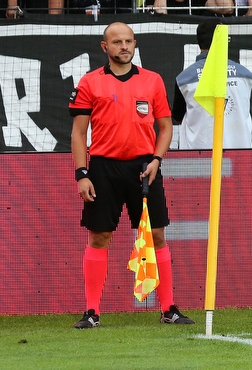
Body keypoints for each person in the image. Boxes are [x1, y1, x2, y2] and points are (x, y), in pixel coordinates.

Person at [69, 22, 194, 329]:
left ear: (135, 44)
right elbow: (77, 133)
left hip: (144, 168)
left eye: (128, 41)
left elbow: (165, 127)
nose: (124, 47)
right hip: (102, 168)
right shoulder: (89, 82)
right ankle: (92, 312)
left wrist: (156, 159)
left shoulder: (152, 81)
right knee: (99, 237)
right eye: (117, 42)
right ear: (105, 47)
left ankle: (168, 308)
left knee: (156, 236)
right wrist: (82, 174)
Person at [173, 18, 252, 150]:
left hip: (198, 156)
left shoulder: (184, 79)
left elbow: (178, 118)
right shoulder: (246, 75)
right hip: (240, 155)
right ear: (222, 38)